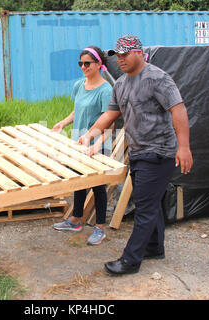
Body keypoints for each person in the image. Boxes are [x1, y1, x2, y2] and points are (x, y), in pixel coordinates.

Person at [78, 35, 193, 276]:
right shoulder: (120, 84)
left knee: (145, 206)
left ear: (139, 53)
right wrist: (89, 135)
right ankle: (154, 247)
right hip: (139, 151)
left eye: (125, 54)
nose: (120, 60)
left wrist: (184, 147)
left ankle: (131, 260)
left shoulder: (158, 79)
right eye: (117, 56)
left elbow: (178, 109)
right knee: (151, 204)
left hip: (159, 151)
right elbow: (110, 115)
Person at [52, 46, 113, 245]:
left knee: (98, 186)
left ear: (98, 64)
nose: (84, 67)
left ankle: (100, 228)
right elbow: (76, 111)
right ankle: (76, 220)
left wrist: (97, 146)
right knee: (79, 180)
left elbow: (109, 122)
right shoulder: (79, 85)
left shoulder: (106, 90)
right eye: (81, 64)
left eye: (87, 63)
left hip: (97, 145)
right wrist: (62, 123)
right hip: (79, 142)